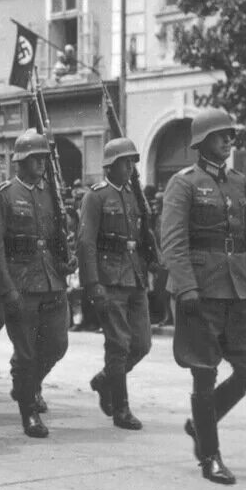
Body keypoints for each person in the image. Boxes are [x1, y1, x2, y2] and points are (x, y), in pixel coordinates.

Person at [159, 108, 246, 485]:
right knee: (204, 372)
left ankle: (201, 424)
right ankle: (210, 455)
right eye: (221, 135)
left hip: (238, 286)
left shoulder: (239, 182)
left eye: (231, 134)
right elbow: (174, 241)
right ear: (202, 141)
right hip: (201, 289)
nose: (229, 140)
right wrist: (187, 286)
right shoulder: (184, 183)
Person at [0, 129, 71, 438]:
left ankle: (28, 385)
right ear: (20, 161)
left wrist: (64, 262)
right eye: (34, 159)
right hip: (21, 283)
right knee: (25, 352)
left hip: (51, 280)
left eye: (44, 159)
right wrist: (6, 287)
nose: (41, 164)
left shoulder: (51, 193)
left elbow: (56, 239)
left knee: (57, 345)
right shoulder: (4, 194)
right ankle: (29, 412)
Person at [77, 136, 149, 431]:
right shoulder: (95, 196)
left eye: (133, 162)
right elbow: (85, 243)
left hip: (134, 276)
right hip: (109, 278)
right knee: (118, 345)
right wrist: (92, 284)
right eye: (124, 162)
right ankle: (121, 409)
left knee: (141, 344)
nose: (130, 167)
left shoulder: (133, 196)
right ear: (110, 165)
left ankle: (106, 380)